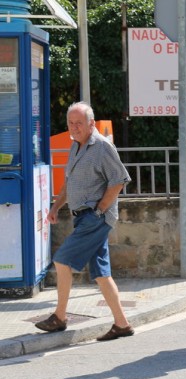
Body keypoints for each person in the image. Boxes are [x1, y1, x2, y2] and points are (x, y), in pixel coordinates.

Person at [36, 101, 134, 342]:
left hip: (95, 218)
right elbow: (70, 182)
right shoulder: (76, 146)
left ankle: (59, 317)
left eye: (79, 123)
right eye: (71, 123)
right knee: (101, 273)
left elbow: (120, 180)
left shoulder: (101, 146)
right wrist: (56, 206)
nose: (74, 127)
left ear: (91, 124)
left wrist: (100, 210)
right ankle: (122, 323)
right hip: (83, 217)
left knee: (61, 260)